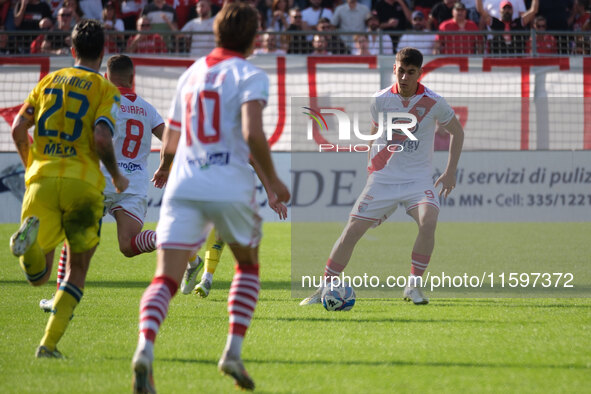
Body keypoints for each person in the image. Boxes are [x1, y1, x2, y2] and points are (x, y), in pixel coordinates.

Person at [131, 3, 290, 392]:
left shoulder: (191, 74)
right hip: (229, 181)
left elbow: (171, 136)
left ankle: (145, 350)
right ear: (253, 38)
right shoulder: (250, 74)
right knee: (247, 265)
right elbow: (253, 135)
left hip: (185, 181)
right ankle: (232, 351)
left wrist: (166, 167)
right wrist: (273, 182)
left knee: (165, 278)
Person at [300, 47, 464, 307]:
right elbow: (374, 133)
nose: (404, 77)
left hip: (418, 180)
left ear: (420, 74)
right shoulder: (379, 100)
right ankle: (324, 287)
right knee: (351, 231)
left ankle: (413, 286)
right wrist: (371, 169)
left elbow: (457, 131)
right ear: (394, 70)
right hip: (384, 180)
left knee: (429, 220)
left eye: (411, 73)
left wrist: (450, 171)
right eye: (400, 71)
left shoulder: (434, 102)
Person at [10, 19, 128, 358]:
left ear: (72, 50)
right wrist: (116, 175)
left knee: (38, 277)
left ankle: (29, 246)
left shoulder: (47, 81)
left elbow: (19, 129)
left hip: (41, 180)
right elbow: (102, 137)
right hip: (83, 185)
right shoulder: (107, 91)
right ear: (102, 51)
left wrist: (31, 164)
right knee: (77, 269)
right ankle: (48, 344)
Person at [38, 54, 194, 312]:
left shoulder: (101, 100)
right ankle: (172, 236)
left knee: (74, 237)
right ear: (133, 78)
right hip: (134, 184)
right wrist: (165, 167)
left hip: (102, 179)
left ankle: (60, 298)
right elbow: (170, 140)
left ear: (107, 77)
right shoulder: (146, 107)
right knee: (129, 245)